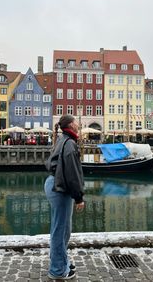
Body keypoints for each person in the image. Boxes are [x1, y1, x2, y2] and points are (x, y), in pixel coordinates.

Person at [44, 115, 85, 280]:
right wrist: (79, 197)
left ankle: (60, 261)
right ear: (70, 125)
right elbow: (72, 173)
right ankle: (58, 270)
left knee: (59, 229)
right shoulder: (69, 143)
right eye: (76, 121)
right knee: (61, 231)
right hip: (60, 187)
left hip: (54, 183)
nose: (78, 123)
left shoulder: (63, 140)